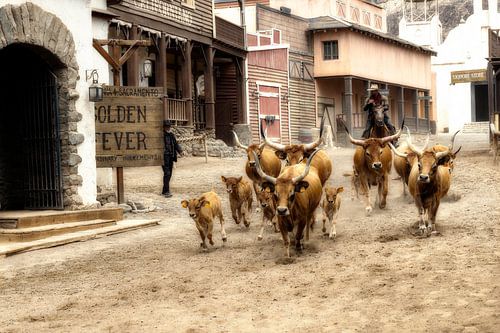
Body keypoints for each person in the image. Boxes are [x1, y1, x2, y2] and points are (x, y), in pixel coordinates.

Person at [162, 120, 182, 198]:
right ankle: (166, 191)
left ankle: (164, 190)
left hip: (171, 156)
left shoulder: (171, 135)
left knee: (169, 173)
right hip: (164, 157)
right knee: (167, 173)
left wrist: (180, 151)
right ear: (163, 127)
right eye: (166, 126)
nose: (168, 128)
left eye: (169, 126)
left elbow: (176, 144)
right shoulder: (161, 135)